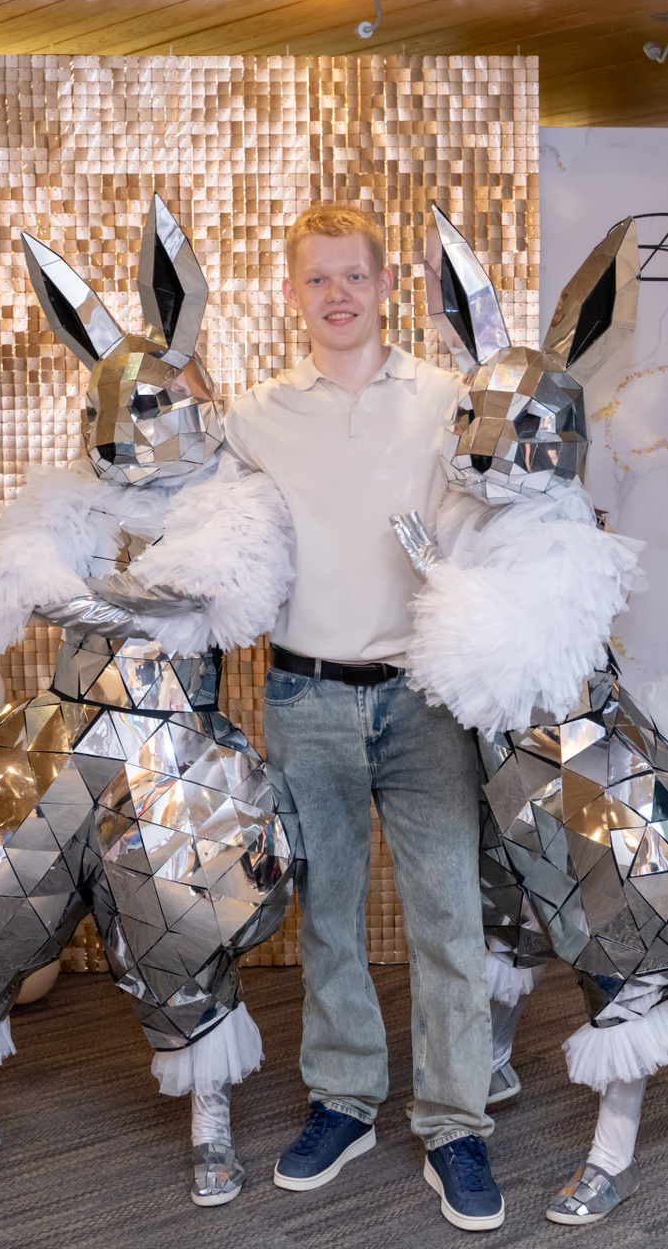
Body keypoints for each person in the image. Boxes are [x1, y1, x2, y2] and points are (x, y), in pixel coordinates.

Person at [0, 197, 298, 1208]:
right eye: (105, 414)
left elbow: (218, 594)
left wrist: (106, 594)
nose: (120, 436)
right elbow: (20, 570)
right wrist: (97, 591)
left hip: (173, 750)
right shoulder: (69, 501)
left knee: (184, 923)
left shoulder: (237, 504)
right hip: (56, 737)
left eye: (143, 411)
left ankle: (211, 1125)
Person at [393, 206, 668, 1227]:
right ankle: (489, 1066)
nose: (489, 452)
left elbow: (502, 668)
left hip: (585, 781)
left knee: (617, 954)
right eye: (477, 424)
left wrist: (437, 581)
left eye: (523, 430)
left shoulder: (567, 539)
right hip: (511, 781)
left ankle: (610, 1151)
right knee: (505, 924)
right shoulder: (482, 525)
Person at [220, 205, 504, 1233]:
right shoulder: (254, 416)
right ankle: (343, 1103)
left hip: (424, 696)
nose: (337, 294)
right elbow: (206, 524)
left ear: (388, 287)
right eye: (317, 278)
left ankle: (456, 1121)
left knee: (448, 917)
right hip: (304, 695)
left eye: (354, 276)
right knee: (328, 913)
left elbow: (494, 508)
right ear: (292, 294)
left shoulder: (447, 398)